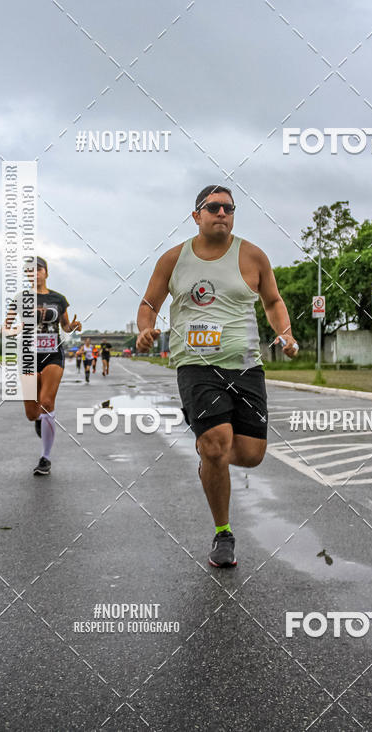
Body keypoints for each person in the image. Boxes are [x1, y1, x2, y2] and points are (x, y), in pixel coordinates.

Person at [137, 184, 298, 568]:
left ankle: (208, 452)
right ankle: (223, 532)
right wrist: (145, 328)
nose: (222, 213)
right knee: (216, 444)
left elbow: (273, 301)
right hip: (196, 366)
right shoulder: (173, 259)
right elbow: (149, 303)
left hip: (245, 367)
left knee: (250, 454)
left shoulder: (253, 256)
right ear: (197, 215)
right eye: (213, 208)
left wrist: (285, 333)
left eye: (228, 208)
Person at [4, 257, 81, 476]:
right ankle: (39, 420)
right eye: (29, 271)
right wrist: (16, 328)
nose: (34, 273)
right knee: (31, 412)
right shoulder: (20, 298)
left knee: (47, 402)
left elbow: (65, 326)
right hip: (29, 356)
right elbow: (6, 328)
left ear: (46, 273)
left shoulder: (59, 298)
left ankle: (45, 458)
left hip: (52, 354)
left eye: (38, 270)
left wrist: (73, 326)